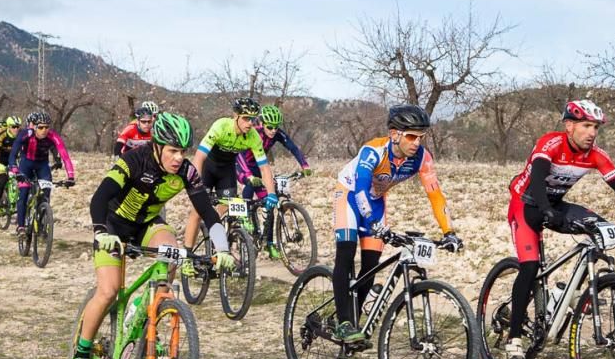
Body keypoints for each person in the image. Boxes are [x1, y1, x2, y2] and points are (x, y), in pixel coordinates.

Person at [71, 112, 234, 359]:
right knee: (109, 290)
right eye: (172, 151)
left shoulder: (187, 171)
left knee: (171, 252)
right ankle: (81, 352)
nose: (178, 158)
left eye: (182, 151)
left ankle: (153, 323)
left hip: (147, 225)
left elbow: (207, 211)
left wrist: (223, 249)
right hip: (113, 227)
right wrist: (100, 232)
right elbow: (99, 197)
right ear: (157, 146)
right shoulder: (134, 160)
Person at [503, 99, 615, 359]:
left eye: (596, 127)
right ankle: (514, 338)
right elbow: (538, 180)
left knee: (601, 230)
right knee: (529, 268)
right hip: (526, 203)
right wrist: (545, 209)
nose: (592, 133)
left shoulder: (596, 154)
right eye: (586, 125)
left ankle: (567, 294)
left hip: (554, 204)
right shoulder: (551, 143)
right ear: (569, 125)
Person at [331, 105, 461, 343]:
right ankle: (343, 322)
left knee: (370, 265)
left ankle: (354, 321)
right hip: (349, 196)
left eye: (421, 137)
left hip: (377, 202)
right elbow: (360, 188)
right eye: (411, 136)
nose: (417, 142)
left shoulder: (422, 158)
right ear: (395, 134)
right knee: (347, 252)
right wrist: (371, 221)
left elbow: (435, 194)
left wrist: (449, 231)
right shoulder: (373, 150)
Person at [182, 97, 278, 261]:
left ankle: (217, 239)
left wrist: (271, 193)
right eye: (246, 118)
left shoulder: (253, 136)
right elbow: (199, 156)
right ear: (236, 116)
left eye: (252, 119)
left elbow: (264, 167)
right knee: (197, 211)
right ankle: (187, 258)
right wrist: (196, 184)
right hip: (208, 168)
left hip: (226, 171)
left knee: (227, 206)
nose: (249, 123)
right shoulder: (221, 126)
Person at [235, 104, 313, 258]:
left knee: (269, 203)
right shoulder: (253, 132)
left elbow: (293, 148)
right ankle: (244, 219)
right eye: (270, 127)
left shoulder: (277, 133)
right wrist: (249, 176)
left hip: (260, 167)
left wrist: (304, 165)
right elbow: (240, 154)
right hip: (244, 165)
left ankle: (269, 243)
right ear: (262, 124)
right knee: (250, 187)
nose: (273, 131)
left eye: (276, 127)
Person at [8, 110, 76, 234]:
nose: (44, 130)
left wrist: (71, 176)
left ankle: (42, 219)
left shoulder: (53, 136)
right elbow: (13, 154)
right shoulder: (25, 134)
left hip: (42, 165)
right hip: (26, 164)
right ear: (34, 127)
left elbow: (65, 156)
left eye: (47, 127)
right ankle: (21, 226)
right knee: (23, 193)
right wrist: (15, 170)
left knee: (45, 194)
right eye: (41, 127)